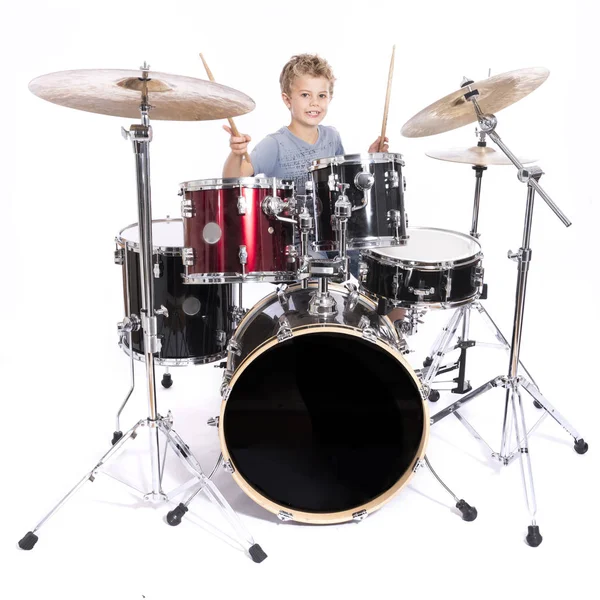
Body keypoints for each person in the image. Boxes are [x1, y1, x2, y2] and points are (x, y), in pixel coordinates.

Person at [222, 53, 387, 192]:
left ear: (330, 98)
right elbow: (233, 179)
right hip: (286, 228)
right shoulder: (274, 144)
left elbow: (345, 184)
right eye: (305, 95)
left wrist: (371, 159)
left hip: (327, 228)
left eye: (321, 95)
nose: (314, 102)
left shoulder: (332, 137)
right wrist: (236, 154)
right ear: (288, 100)